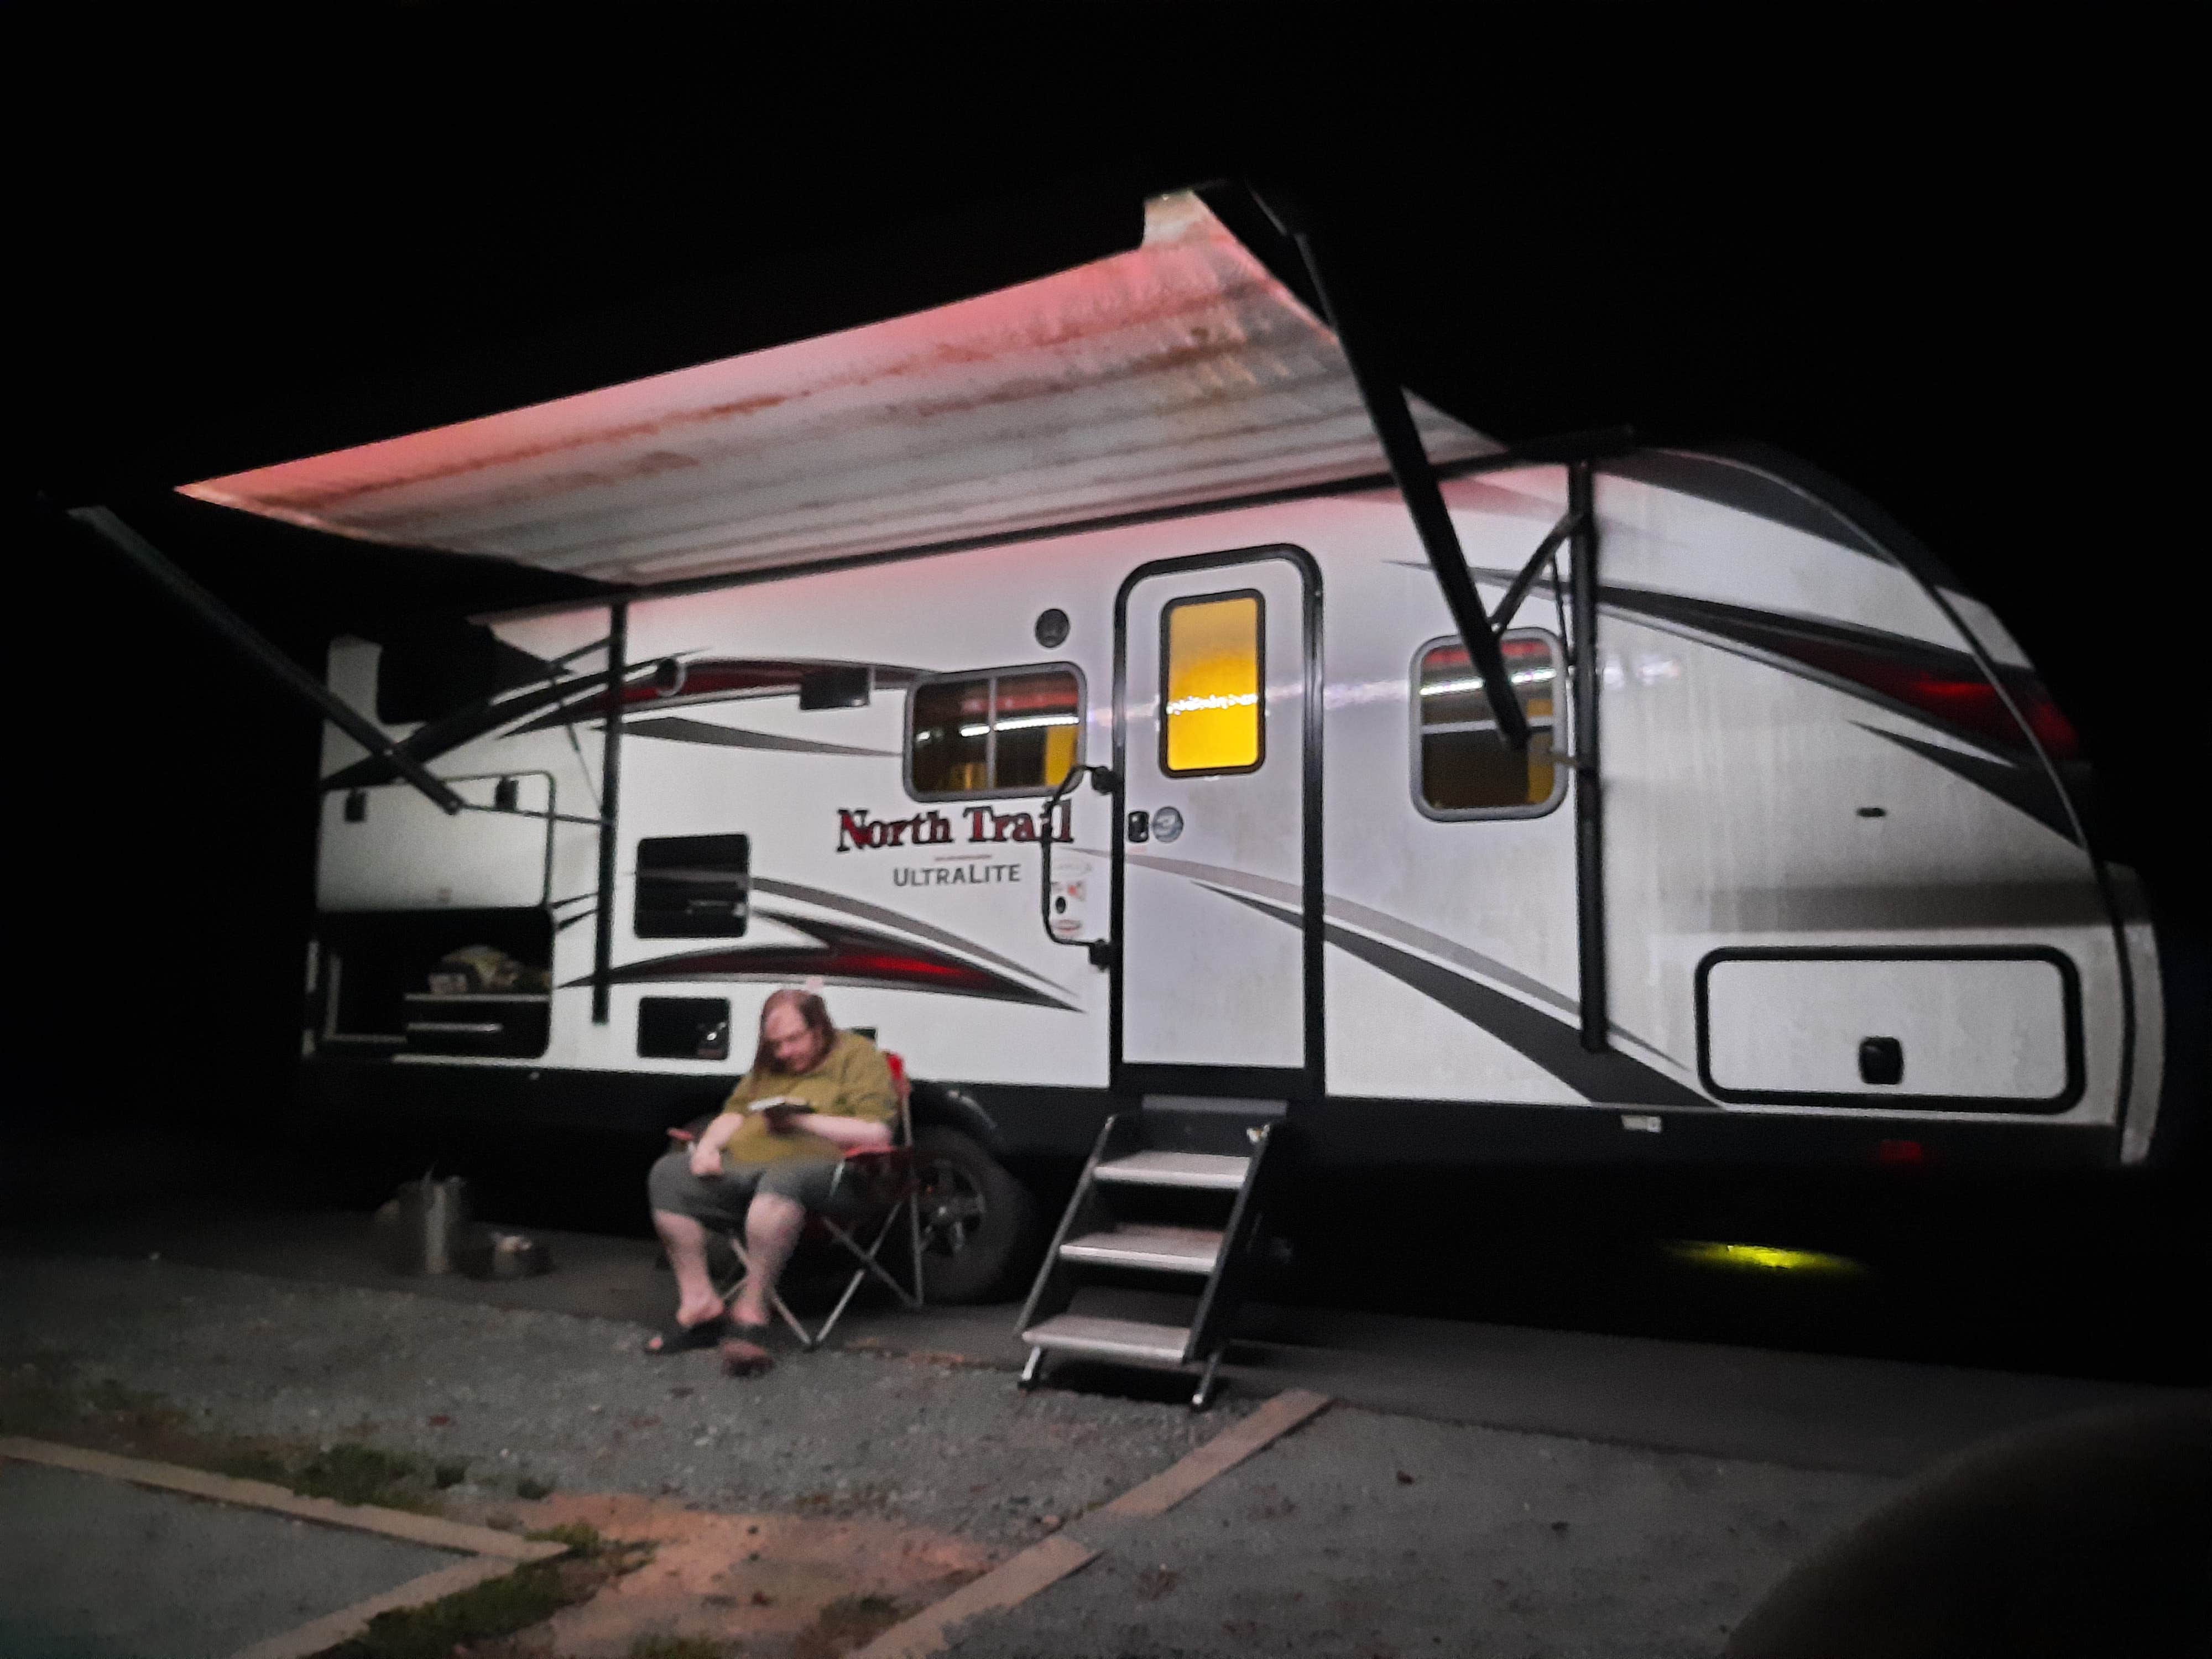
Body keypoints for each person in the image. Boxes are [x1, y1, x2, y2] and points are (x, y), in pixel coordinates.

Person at [644, 987, 895, 1353]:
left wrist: (799, 1122)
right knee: (669, 1175)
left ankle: (753, 1307)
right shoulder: (770, 1063)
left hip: (833, 1175)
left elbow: (877, 1133)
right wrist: (709, 1148)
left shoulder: (858, 1056)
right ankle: (700, 1304)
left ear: (820, 1029)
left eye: (793, 1040)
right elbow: (734, 1112)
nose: (784, 1053)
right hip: (748, 1168)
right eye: (776, 1044)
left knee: (782, 1180)